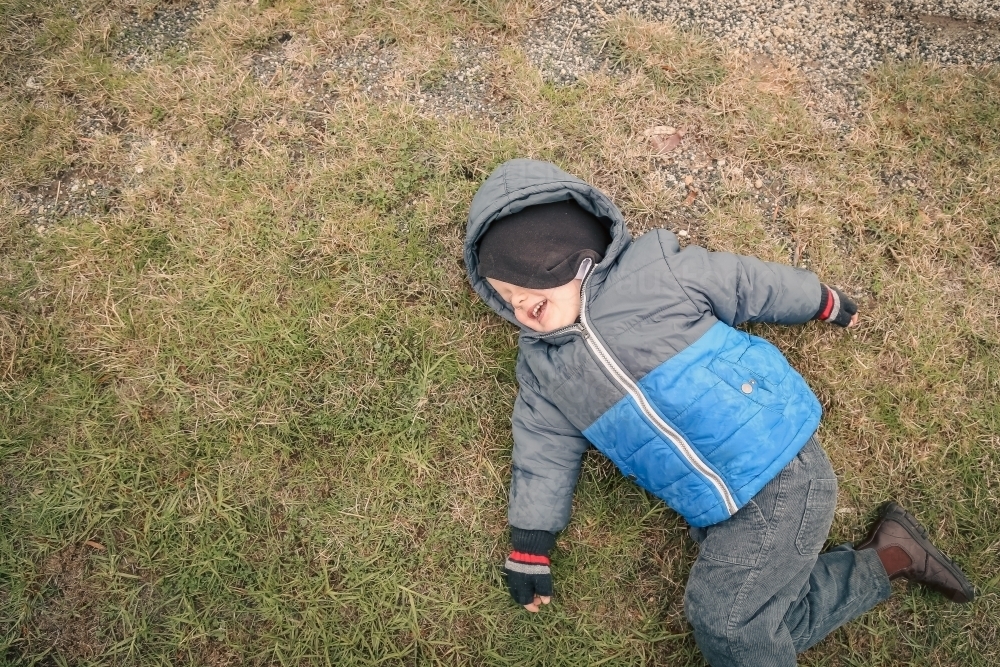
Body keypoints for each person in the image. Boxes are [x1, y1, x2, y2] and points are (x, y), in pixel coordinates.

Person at [464, 159, 974, 667]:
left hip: (780, 474)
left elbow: (747, 282)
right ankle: (894, 556)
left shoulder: (657, 275)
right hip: (715, 511)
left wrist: (820, 300)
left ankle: (893, 557)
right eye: (505, 296)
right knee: (757, 629)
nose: (518, 304)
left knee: (723, 621)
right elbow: (542, 451)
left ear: (575, 258)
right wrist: (531, 541)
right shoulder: (543, 368)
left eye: (526, 281)